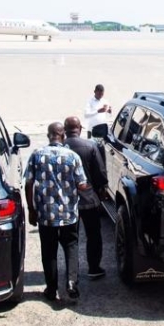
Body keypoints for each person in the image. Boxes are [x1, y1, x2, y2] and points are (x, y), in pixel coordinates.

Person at [24, 121, 90, 303]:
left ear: (48, 135)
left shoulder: (37, 155)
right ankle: (71, 283)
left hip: (46, 214)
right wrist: (87, 187)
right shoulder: (73, 156)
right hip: (69, 214)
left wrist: (31, 209)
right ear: (63, 136)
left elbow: (28, 183)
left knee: (49, 251)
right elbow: (82, 184)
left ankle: (51, 290)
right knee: (71, 246)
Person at [64, 115, 109, 280]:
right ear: (80, 128)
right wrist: (101, 189)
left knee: (71, 238)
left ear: (64, 130)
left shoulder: (60, 148)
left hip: (67, 202)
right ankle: (94, 267)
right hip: (89, 199)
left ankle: (72, 273)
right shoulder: (90, 145)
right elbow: (100, 173)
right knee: (94, 235)